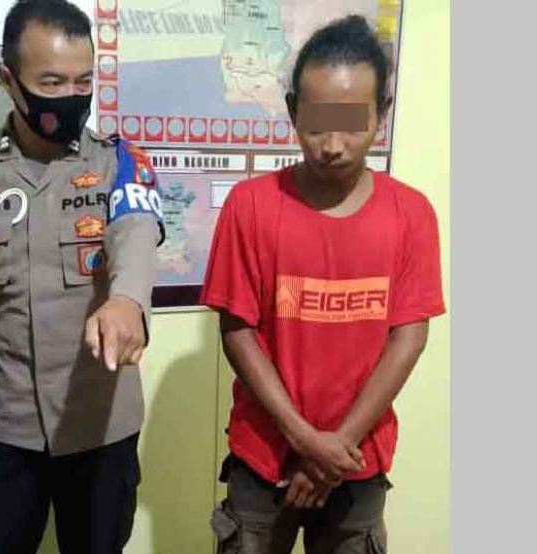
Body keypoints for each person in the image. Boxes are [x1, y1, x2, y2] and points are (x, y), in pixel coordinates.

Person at [201, 15, 446, 554]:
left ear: (382, 113)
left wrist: (335, 448)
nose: (333, 145)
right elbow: (237, 331)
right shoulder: (250, 207)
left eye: (352, 123)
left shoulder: (412, 215)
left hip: (357, 460)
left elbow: (409, 338)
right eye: (317, 124)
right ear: (292, 112)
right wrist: (304, 438)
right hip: (263, 459)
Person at [0, 1, 164, 552]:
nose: (71, 96)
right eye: (51, 82)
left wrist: (127, 300)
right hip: (5, 427)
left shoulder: (120, 162)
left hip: (100, 426)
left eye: (83, 81)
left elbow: (136, 233)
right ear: (8, 80)